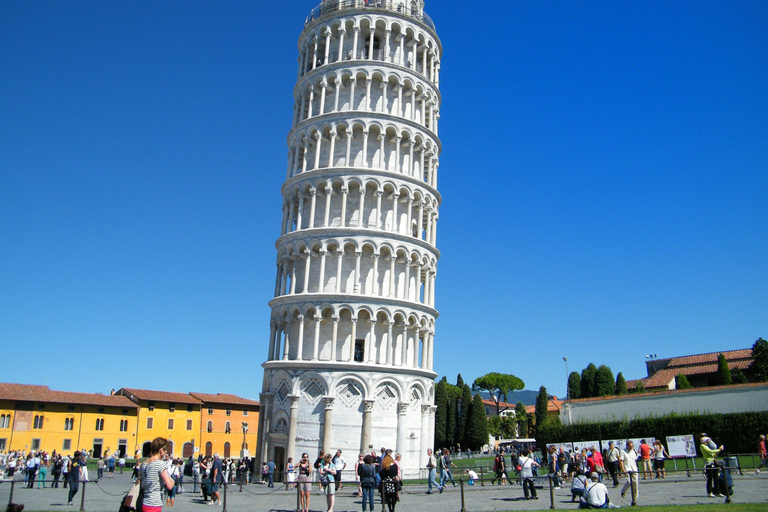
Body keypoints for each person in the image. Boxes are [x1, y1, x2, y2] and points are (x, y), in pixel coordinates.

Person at [140, 438, 175, 512]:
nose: (166, 454)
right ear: (161, 450)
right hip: (154, 503)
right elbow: (169, 486)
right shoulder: (160, 464)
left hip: (145, 502)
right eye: (165, 451)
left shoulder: (143, 464)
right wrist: (173, 481)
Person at [699, 433, 725, 498]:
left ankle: (717, 491)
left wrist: (717, 451)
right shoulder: (702, 446)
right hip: (709, 463)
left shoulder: (707, 445)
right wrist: (719, 450)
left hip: (713, 462)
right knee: (710, 478)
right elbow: (710, 451)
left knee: (716, 477)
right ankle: (710, 492)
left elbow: (713, 453)